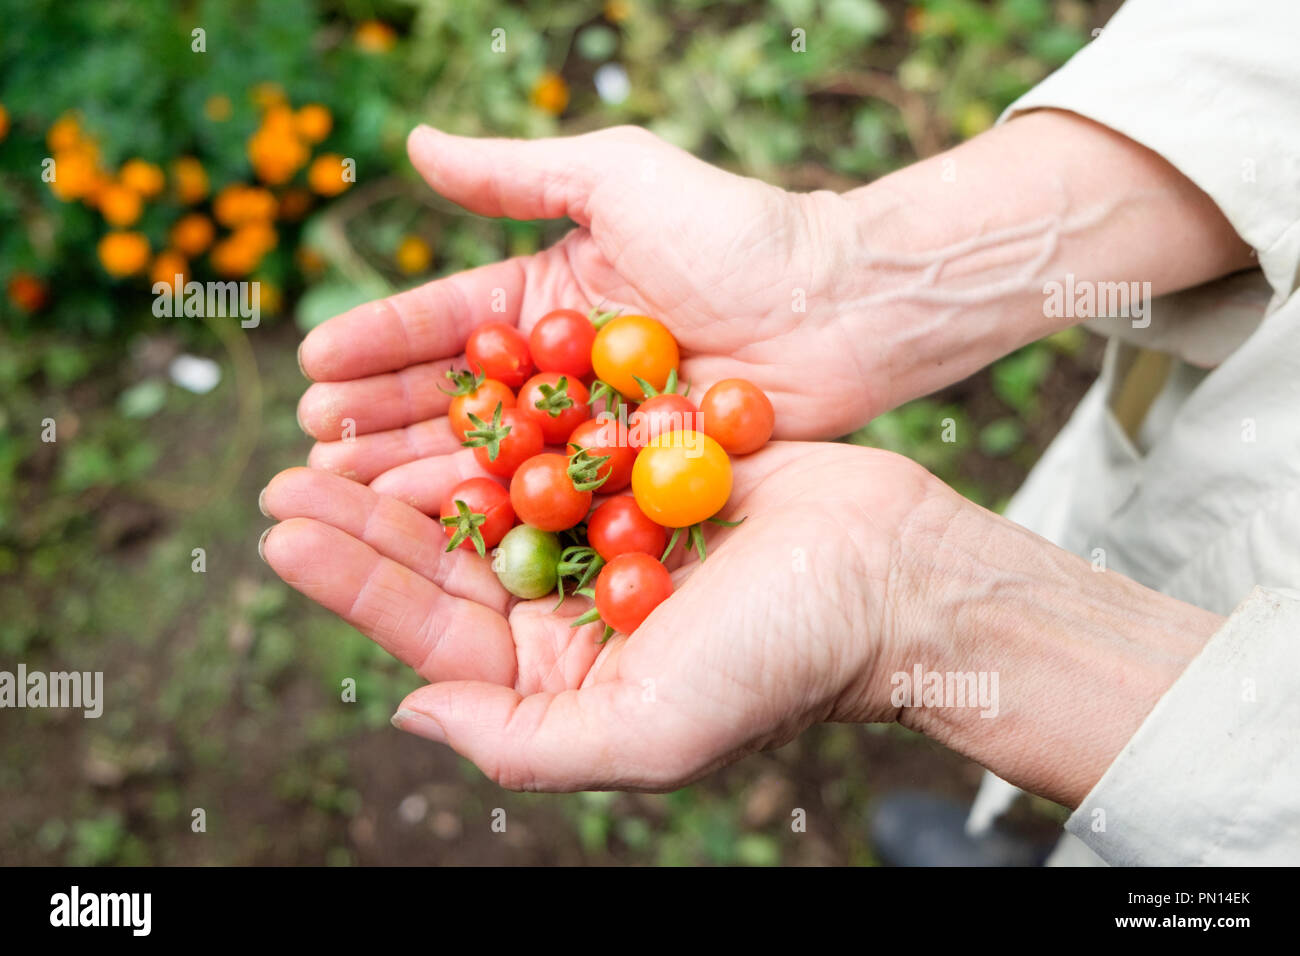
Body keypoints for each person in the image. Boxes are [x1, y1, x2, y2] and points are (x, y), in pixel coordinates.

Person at [258, 0, 1300, 865]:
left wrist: (911, 601)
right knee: (1118, 804)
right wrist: (844, 272)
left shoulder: (620, 463)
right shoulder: (623, 447)